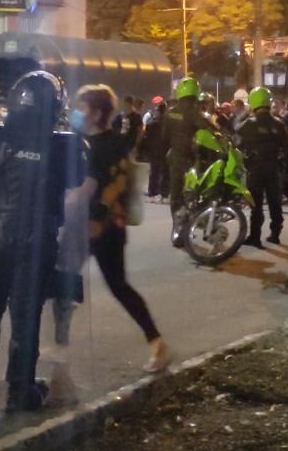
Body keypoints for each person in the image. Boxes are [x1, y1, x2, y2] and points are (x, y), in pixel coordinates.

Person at [0, 71, 86, 412]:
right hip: (35, 242)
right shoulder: (65, 145)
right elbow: (77, 181)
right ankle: (20, 389)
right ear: (55, 106)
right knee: (25, 316)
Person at [68, 85, 169, 372]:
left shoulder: (105, 146)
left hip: (103, 227)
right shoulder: (93, 142)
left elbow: (109, 185)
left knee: (112, 286)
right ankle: (55, 350)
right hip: (91, 225)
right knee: (65, 282)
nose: (77, 112)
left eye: (82, 107)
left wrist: (92, 213)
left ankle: (157, 343)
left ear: (96, 112)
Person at [236, 87, 288, 247]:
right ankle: (275, 234)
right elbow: (287, 148)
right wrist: (287, 169)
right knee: (275, 202)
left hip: (255, 168)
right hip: (274, 168)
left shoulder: (250, 123)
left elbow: (236, 138)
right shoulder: (279, 124)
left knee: (256, 204)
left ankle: (255, 237)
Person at [162, 77, 212, 247]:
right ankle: (198, 224)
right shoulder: (195, 113)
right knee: (194, 195)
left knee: (176, 195)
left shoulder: (169, 113)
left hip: (175, 158)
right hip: (192, 160)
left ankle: (177, 230)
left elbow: (164, 138)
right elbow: (210, 130)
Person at [141, 101, 170, 202]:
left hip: (153, 150)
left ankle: (152, 193)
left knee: (154, 172)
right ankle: (164, 194)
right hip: (165, 150)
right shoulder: (168, 123)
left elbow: (146, 138)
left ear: (158, 110)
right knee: (165, 172)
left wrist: (144, 150)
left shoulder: (151, 123)